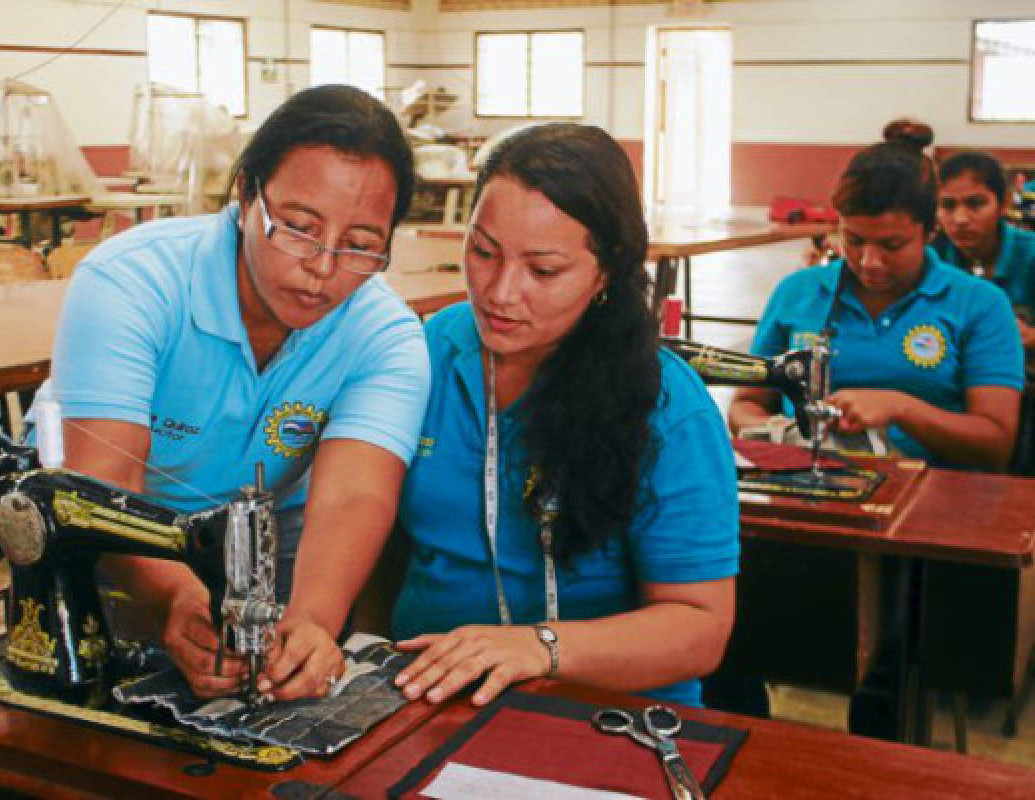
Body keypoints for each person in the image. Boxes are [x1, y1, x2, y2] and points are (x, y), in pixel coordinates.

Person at [39, 85, 431, 701]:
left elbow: (355, 494)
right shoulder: (130, 284)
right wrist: (170, 592)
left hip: (271, 533)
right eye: (299, 229)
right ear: (246, 193)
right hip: (125, 536)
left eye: (359, 245)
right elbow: (105, 482)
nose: (323, 269)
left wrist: (313, 624)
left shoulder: (384, 334)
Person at [386, 124, 739, 709]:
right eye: (482, 251)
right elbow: (385, 546)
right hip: (431, 699)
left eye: (543, 271)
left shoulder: (667, 407)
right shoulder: (428, 353)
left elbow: (700, 629)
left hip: (609, 714)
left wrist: (538, 648)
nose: (499, 292)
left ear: (608, 269)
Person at [729, 121, 1024, 471]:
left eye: (892, 245)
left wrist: (902, 408)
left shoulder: (980, 305)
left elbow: (996, 445)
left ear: (931, 231)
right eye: (854, 240)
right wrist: (776, 431)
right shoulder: (799, 292)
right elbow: (745, 403)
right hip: (810, 482)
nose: (869, 262)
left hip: (933, 500)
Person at [933, 150, 1035, 351]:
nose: (960, 219)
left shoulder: (1030, 254)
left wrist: (1030, 337)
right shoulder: (929, 259)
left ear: (1004, 203)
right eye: (947, 205)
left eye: (976, 204)